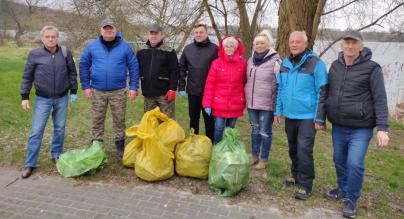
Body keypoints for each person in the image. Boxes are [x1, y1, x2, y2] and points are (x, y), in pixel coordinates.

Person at [323, 30, 389, 218]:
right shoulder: (335, 66)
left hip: (361, 127)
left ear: (361, 46)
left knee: (354, 163)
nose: (350, 46)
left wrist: (383, 128)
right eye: (347, 43)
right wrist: (321, 117)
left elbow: (380, 99)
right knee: (338, 160)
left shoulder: (372, 68)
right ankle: (342, 189)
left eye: (354, 43)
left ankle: (351, 199)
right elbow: (327, 94)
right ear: (342, 45)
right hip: (339, 125)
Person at [274, 31, 328, 200]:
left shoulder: (316, 63)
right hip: (290, 115)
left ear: (306, 44)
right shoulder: (285, 63)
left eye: (298, 42)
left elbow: (322, 91)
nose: (294, 44)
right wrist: (278, 110)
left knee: (304, 150)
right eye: (292, 42)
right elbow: (280, 89)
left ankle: (305, 184)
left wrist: (319, 118)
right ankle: (295, 176)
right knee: (293, 148)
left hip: (307, 116)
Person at [20, 25, 78, 178]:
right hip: (42, 99)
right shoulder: (35, 54)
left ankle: (56, 154)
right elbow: (27, 76)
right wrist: (24, 96)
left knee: (59, 128)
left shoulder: (65, 52)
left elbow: (72, 73)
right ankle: (30, 163)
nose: (51, 39)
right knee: (36, 132)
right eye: (48, 37)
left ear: (57, 38)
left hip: (62, 98)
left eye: (53, 36)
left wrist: (73, 91)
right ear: (42, 38)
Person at [79, 18, 139, 157]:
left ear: (115, 30)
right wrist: (86, 86)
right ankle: (97, 145)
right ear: (101, 30)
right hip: (97, 90)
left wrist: (133, 87)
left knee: (119, 119)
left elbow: (134, 67)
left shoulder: (125, 47)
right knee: (97, 119)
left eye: (110, 28)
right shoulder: (92, 46)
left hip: (118, 91)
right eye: (105, 28)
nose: (108, 30)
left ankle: (119, 146)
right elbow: (83, 65)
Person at [245, 30, 281, 170]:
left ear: (268, 45)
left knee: (265, 131)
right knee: (255, 129)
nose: (259, 45)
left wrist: (277, 106)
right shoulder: (251, 60)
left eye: (262, 43)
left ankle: (264, 159)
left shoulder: (275, 61)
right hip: (252, 102)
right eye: (257, 43)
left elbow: (280, 84)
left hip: (267, 103)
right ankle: (254, 156)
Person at [202, 35, 247, 144]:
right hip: (219, 103)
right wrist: (207, 104)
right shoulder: (216, 63)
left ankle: (228, 150)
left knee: (230, 129)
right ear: (223, 48)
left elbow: (246, 83)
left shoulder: (243, 64)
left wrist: (244, 100)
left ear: (236, 47)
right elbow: (210, 85)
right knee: (219, 128)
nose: (228, 48)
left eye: (231, 46)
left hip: (235, 103)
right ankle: (217, 150)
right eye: (226, 46)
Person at [178, 23, 218, 141]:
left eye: (201, 32)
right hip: (193, 91)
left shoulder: (215, 49)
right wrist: (181, 87)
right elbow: (181, 68)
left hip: (209, 93)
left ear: (206, 33)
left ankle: (210, 144)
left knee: (209, 121)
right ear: (193, 34)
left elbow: (221, 68)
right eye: (196, 33)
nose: (198, 34)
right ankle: (193, 142)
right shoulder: (188, 49)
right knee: (193, 119)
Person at [136, 23, 179, 119]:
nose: (153, 36)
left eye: (156, 34)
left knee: (167, 121)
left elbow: (175, 71)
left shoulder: (169, 51)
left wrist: (172, 89)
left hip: (165, 94)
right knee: (150, 122)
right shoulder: (141, 51)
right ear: (148, 35)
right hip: (148, 93)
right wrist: (134, 87)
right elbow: (136, 70)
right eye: (151, 33)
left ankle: (167, 135)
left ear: (162, 35)